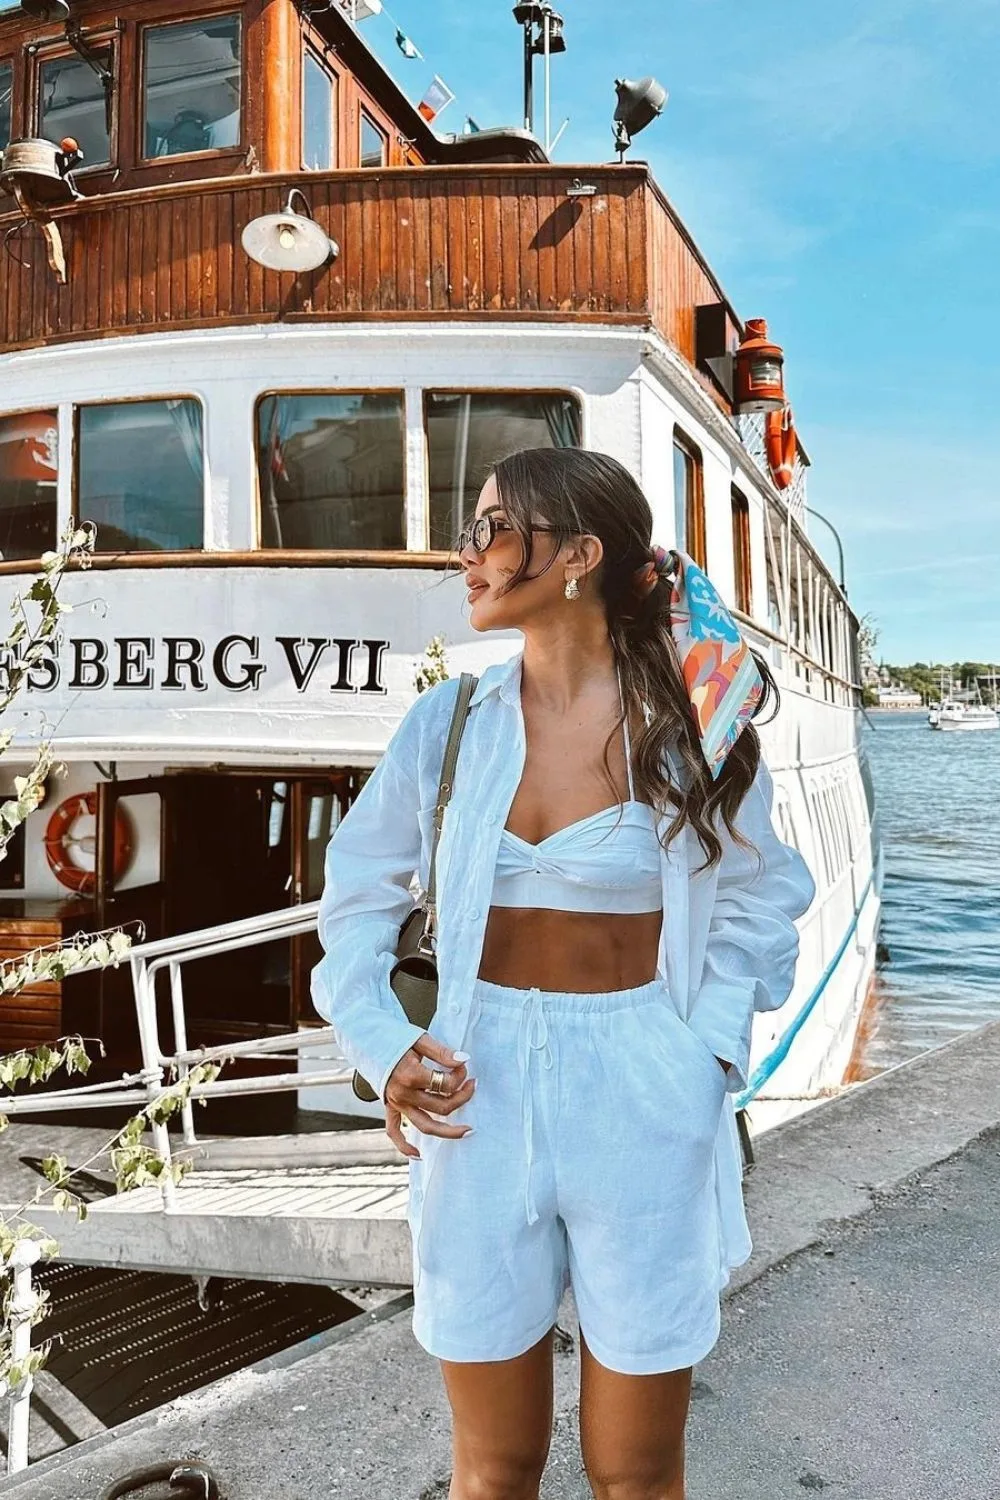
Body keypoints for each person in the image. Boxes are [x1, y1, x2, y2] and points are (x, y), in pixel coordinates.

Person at [312, 448, 815, 1500]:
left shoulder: (690, 728)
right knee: (493, 1469)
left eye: (496, 529)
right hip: (472, 1083)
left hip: (640, 1079)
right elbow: (356, 898)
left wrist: (705, 1051)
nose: (470, 555)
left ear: (580, 555)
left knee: (634, 1472)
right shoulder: (445, 723)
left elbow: (764, 895)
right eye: (473, 530)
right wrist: (384, 1041)